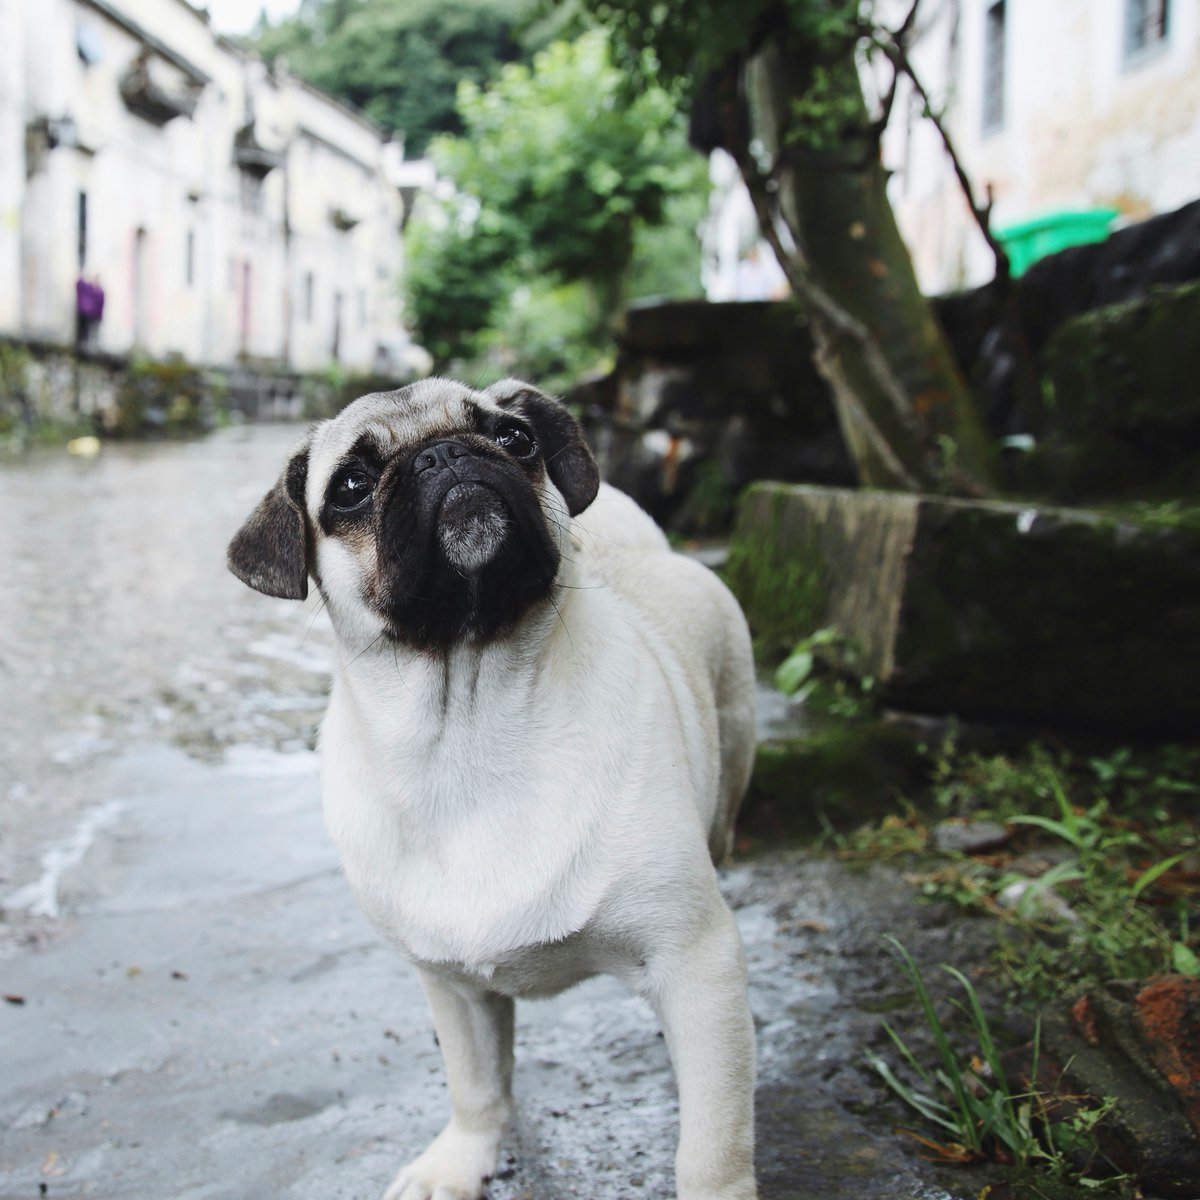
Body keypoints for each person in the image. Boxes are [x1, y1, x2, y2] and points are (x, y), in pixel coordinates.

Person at [75, 275, 105, 349]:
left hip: (95, 315)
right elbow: (79, 285)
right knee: (84, 332)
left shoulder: (100, 292)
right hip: (86, 314)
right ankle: (83, 347)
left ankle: (92, 348)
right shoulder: (89, 289)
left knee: (93, 332)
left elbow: (100, 304)